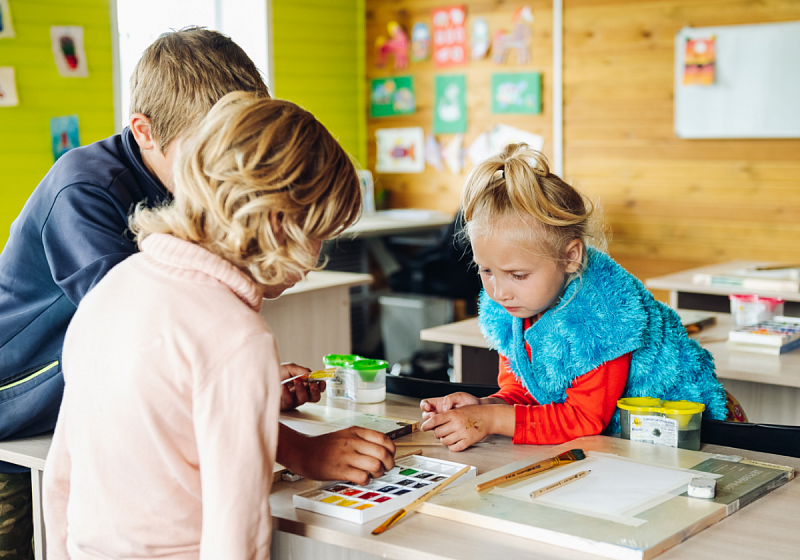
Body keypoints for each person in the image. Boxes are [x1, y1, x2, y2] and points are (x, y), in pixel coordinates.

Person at [0, 28, 388, 559]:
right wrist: (247, 395)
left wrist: (239, 390)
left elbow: (66, 479)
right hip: (15, 405)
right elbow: (238, 532)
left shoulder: (127, 284)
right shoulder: (86, 195)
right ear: (276, 222)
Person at [420, 144, 728, 452]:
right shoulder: (517, 306)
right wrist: (485, 405)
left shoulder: (602, 317)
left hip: (683, 437)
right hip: (619, 447)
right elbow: (526, 389)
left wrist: (489, 420)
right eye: (486, 270)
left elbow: (584, 418)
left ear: (570, 257)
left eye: (518, 275)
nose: (499, 292)